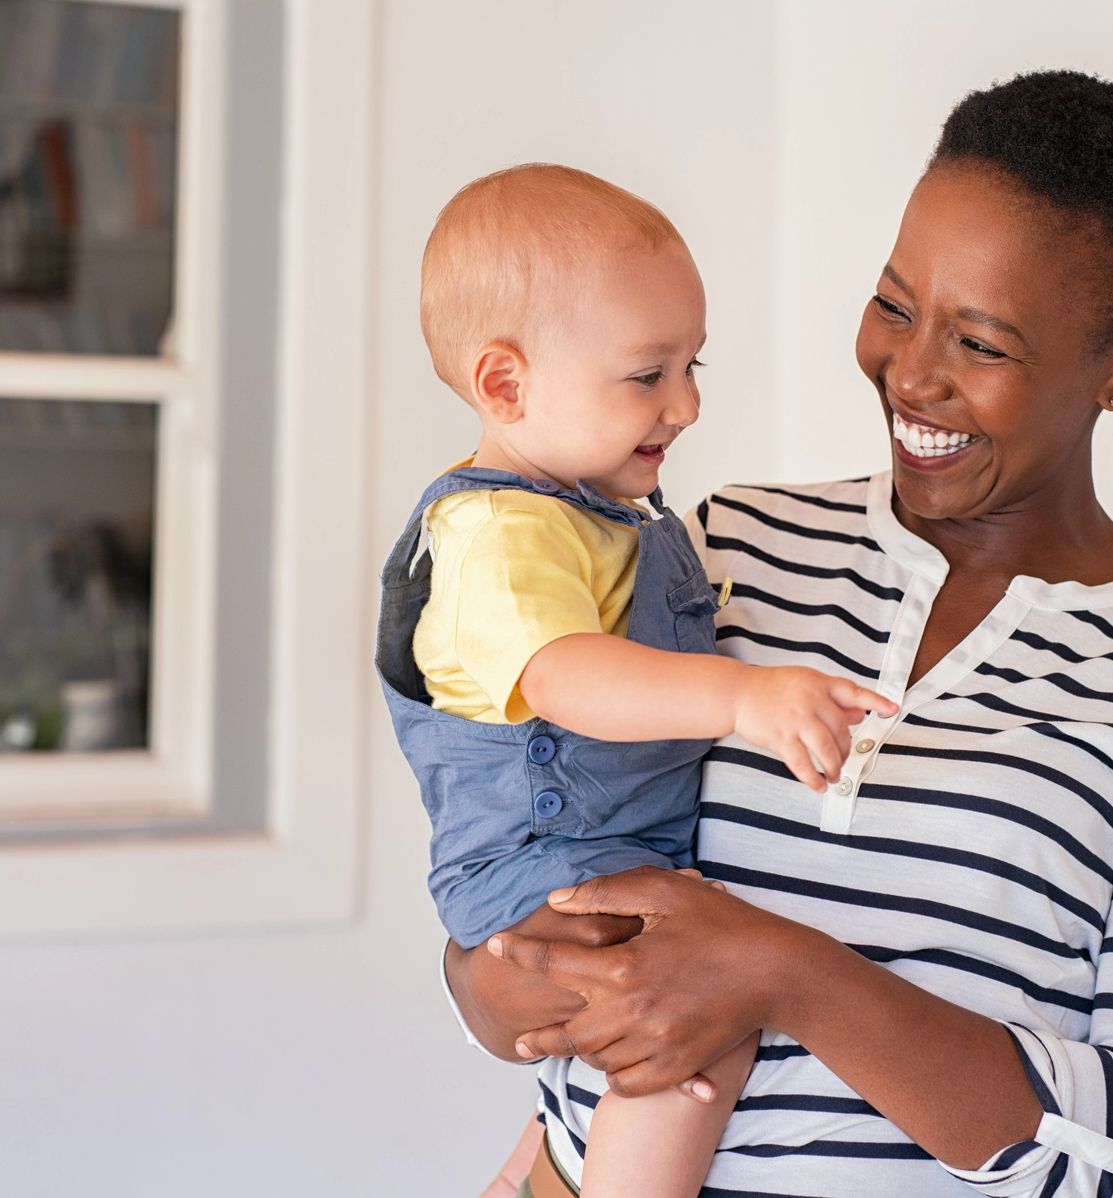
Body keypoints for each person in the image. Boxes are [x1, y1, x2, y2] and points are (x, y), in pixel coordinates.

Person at [443, 72, 1113, 1198]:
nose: (910, 373)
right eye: (895, 306)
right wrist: (481, 981)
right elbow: (525, 816)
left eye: (983, 343)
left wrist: (790, 976)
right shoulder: (712, 549)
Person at [376, 164, 898, 1198]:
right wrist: (744, 698)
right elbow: (569, 678)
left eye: (693, 366)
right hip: (544, 857)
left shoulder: (601, 515)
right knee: (689, 1036)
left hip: (602, 847)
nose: (688, 404)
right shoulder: (493, 531)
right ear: (503, 385)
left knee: (664, 1026)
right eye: (647, 374)